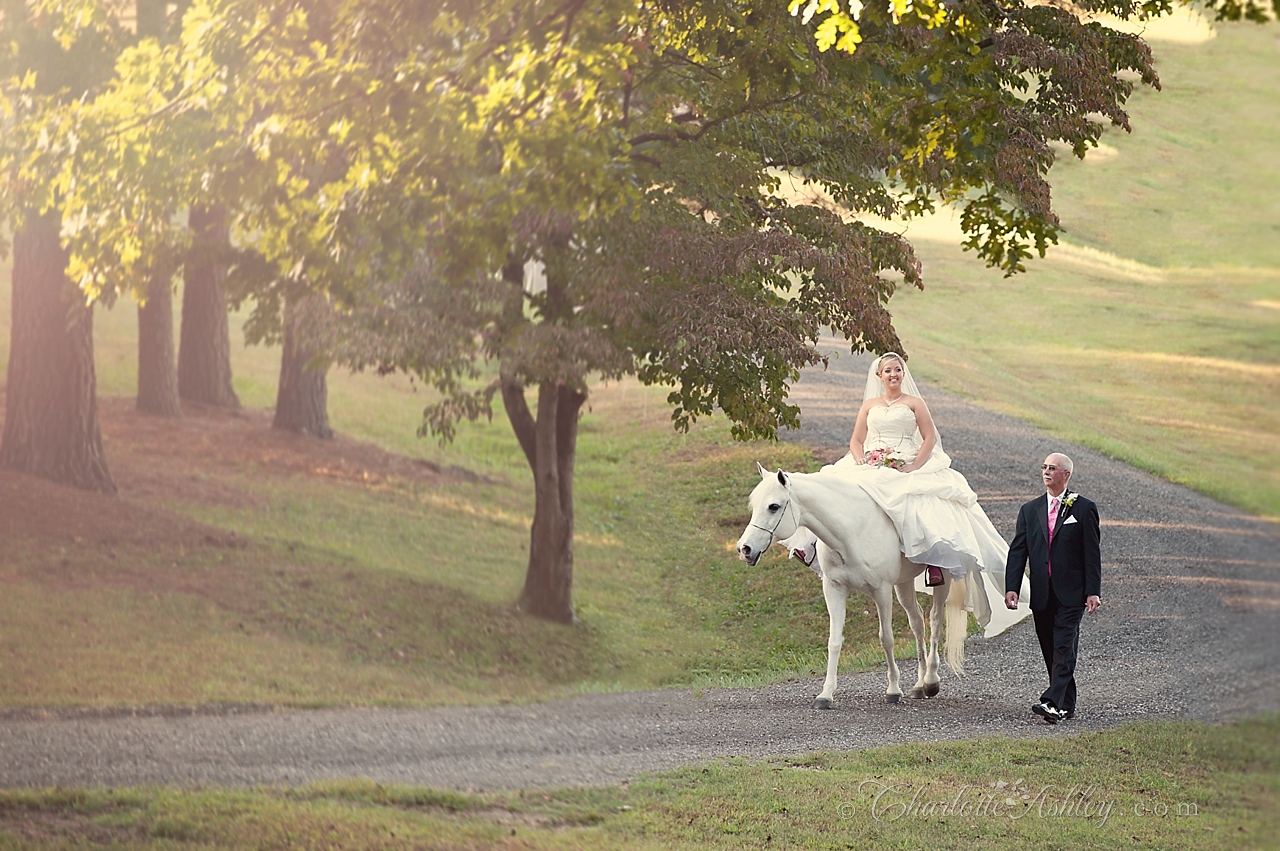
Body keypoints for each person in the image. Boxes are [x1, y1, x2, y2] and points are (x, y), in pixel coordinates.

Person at [788, 353, 1011, 628]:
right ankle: (809, 545)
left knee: (918, 500)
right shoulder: (869, 406)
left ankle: (932, 561)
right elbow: (856, 440)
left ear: (903, 374)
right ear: (879, 376)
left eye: (898, 370)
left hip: (906, 460)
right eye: (888, 371)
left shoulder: (914, 403)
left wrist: (915, 465)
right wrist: (860, 459)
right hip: (871, 460)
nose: (893, 374)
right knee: (830, 488)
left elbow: (930, 438)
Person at [1004, 453, 1102, 724]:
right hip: (1042, 593)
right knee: (1050, 647)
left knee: (1063, 645)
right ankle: (1064, 705)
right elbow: (1018, 551)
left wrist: (1093, 591)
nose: (1046, 472)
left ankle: (1050, 701)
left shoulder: (1083, 508)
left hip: (1072, 592)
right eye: (1044, 467)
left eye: (1053, 468)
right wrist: (1012, 586)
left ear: (1066, 474)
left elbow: (1092, 554)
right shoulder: (1029, 510)